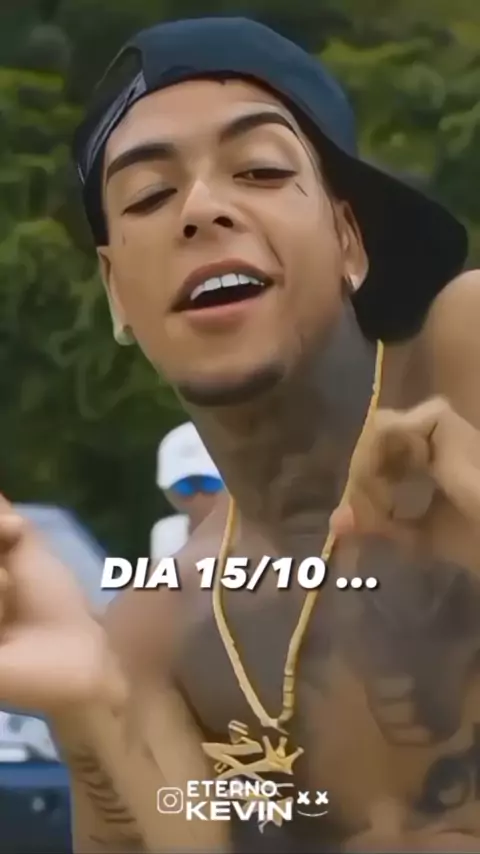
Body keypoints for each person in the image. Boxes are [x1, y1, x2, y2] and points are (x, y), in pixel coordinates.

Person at [0, 16, 480, 854]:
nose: (200, 209)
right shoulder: (158, 633)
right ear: (117, 292)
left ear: (349, 238)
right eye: (147, 197)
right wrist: (95, 713)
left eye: (260, 169)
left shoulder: (466, 361)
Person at [151, 421, 224, 558]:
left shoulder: (257, 534)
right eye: (184, 486)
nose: (199, 497)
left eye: (210, 483)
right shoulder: (167, 535)